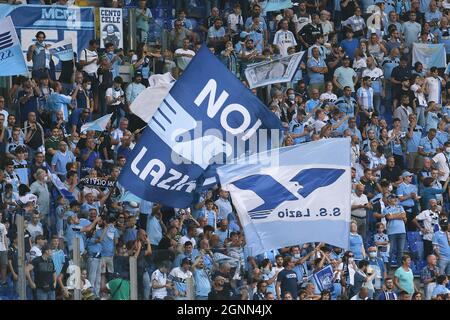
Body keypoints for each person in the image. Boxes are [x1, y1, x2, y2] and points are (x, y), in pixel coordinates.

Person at [382, 194, 407, 266]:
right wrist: (399, 215)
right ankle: (387, 269)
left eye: (396, 198)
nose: (395, 199)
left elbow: (404, 216)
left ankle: (400, 268)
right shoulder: (386, 209)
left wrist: (393, 215)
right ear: (389, 200)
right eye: (393, 198)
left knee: (401, 251)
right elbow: (389, 217)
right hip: (391, 232)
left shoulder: (400, 207)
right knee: (390, 251)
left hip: (402, 231)